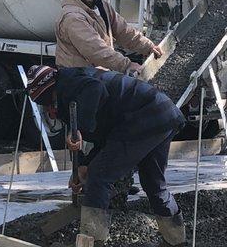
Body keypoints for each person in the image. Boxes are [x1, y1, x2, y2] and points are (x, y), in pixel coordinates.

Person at [26, 65, 187, 247]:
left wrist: (79, 128)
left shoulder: (69, 83)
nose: (49, 109)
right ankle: (176, 241)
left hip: (143, 119)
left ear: (49, 91)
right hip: (163, 115)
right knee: (154, 183)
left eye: (47, 103)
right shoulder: (74, 83)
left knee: (99, 176)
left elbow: (96, 89)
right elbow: (106, 139)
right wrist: (83, 165)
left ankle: (92, 242)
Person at [56, 0, 163, 75]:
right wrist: (126, 65)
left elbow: (124, 31)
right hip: (76, 76)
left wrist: (148, 47)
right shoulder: (72, 17)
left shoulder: (103, 7)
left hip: (96, 72)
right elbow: (95, 49)